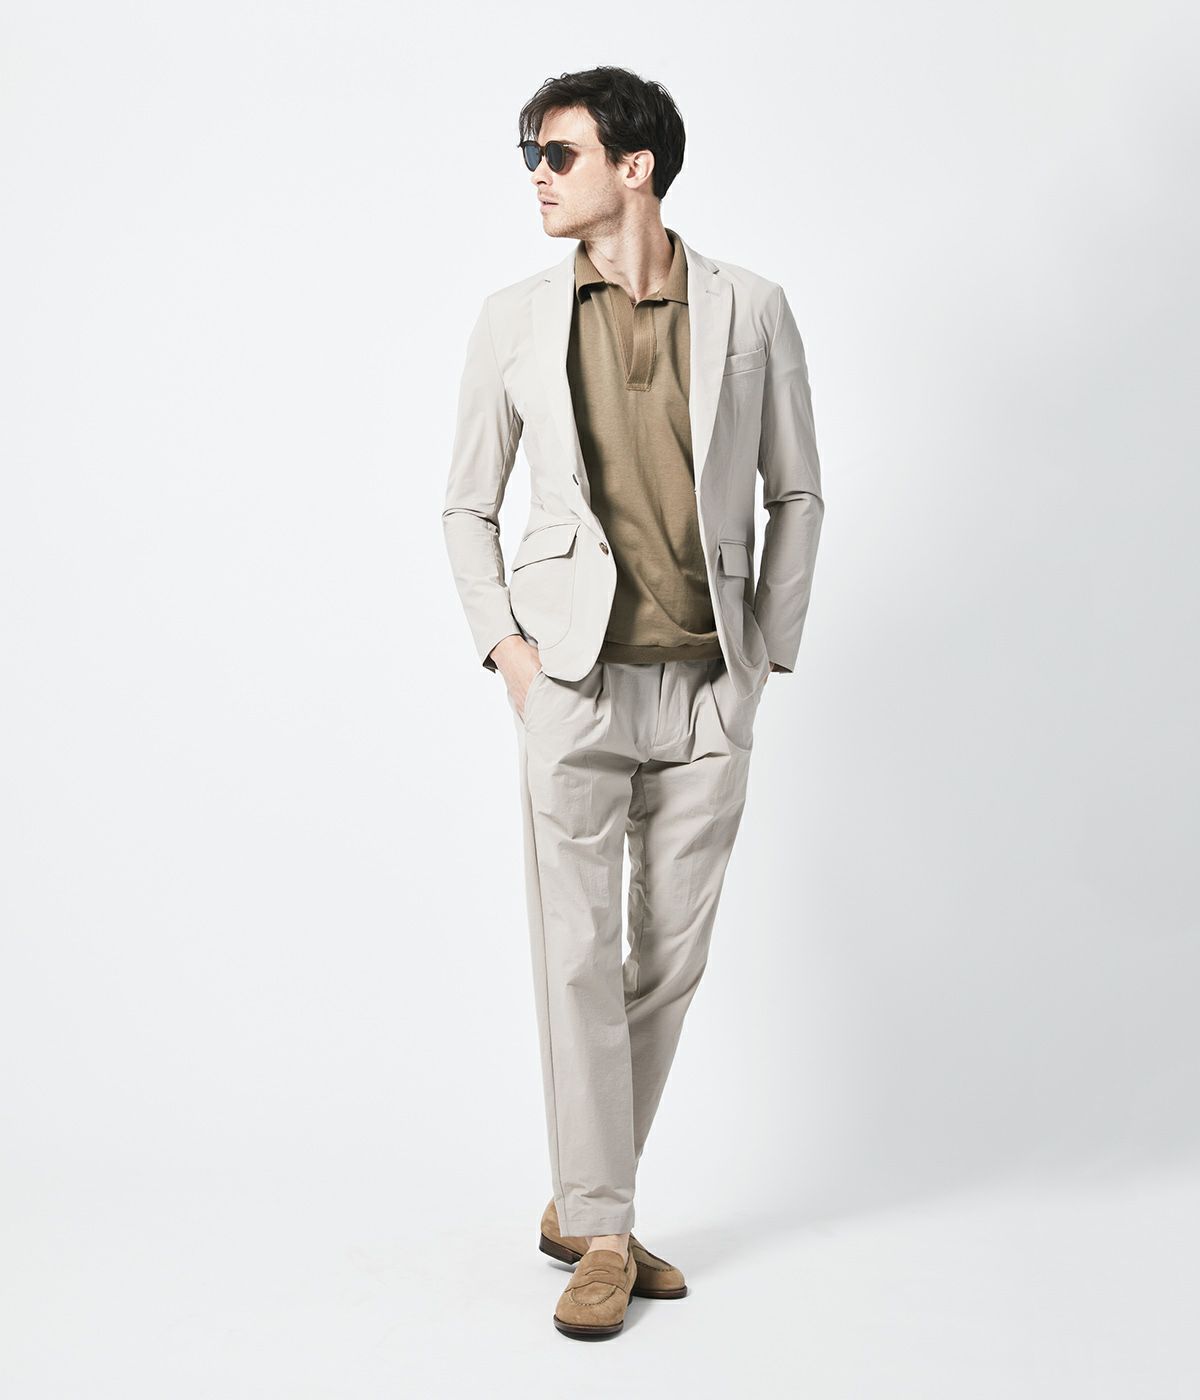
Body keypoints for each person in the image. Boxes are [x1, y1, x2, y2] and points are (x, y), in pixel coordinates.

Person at [441, 64, 824, 1339]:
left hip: (708, 687)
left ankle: (581, 1198)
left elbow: (797, 491)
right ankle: (604, 1229)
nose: (538, 176)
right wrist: (507, 651)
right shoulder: (513, 318)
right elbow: (465, 504)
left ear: (634, 166)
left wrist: (767, 652)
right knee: (574, 960)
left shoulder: (751, 307)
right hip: (575, 683)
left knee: (666, 964)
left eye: (557, 152)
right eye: (532, 156)